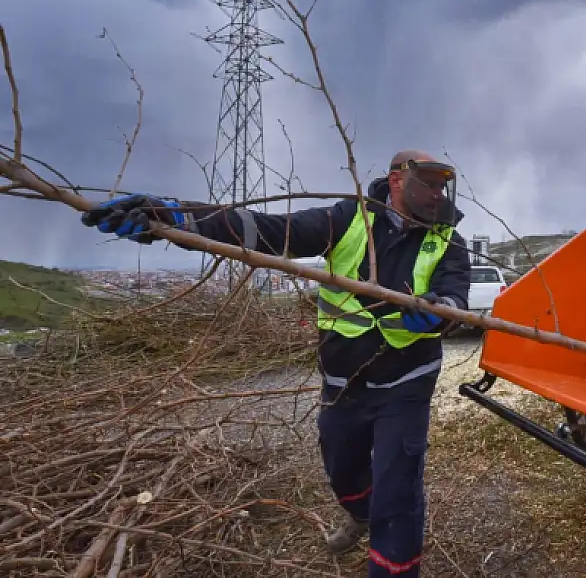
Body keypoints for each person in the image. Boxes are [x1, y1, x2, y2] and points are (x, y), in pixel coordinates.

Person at [80, 150, 472, 577]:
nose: (437, 194)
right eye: (428, 184)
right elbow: (268, 231)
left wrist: (440, 311)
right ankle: (360, 514)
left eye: (441, 186)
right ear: (397, 181)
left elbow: (456, 297)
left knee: (398, 490)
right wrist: (174, 218)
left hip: (406, 381)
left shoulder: (448, 239)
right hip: (344, 378)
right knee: (342, 466)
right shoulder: (349, 218)